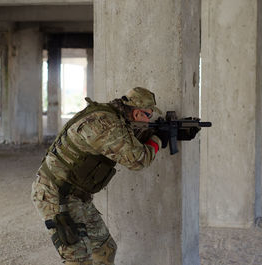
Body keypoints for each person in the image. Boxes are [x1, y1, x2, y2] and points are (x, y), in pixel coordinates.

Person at [31, 87, 166, 265]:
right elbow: (138, 160)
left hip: (76, 196)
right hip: (55, 195)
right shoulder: (105, 124)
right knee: (78, 259)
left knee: (105, 249)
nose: (149, 122)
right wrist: (158, 139)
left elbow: (127, 140)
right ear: (136, 113)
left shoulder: (113, 118)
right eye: (148, 116)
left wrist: (158, 133)